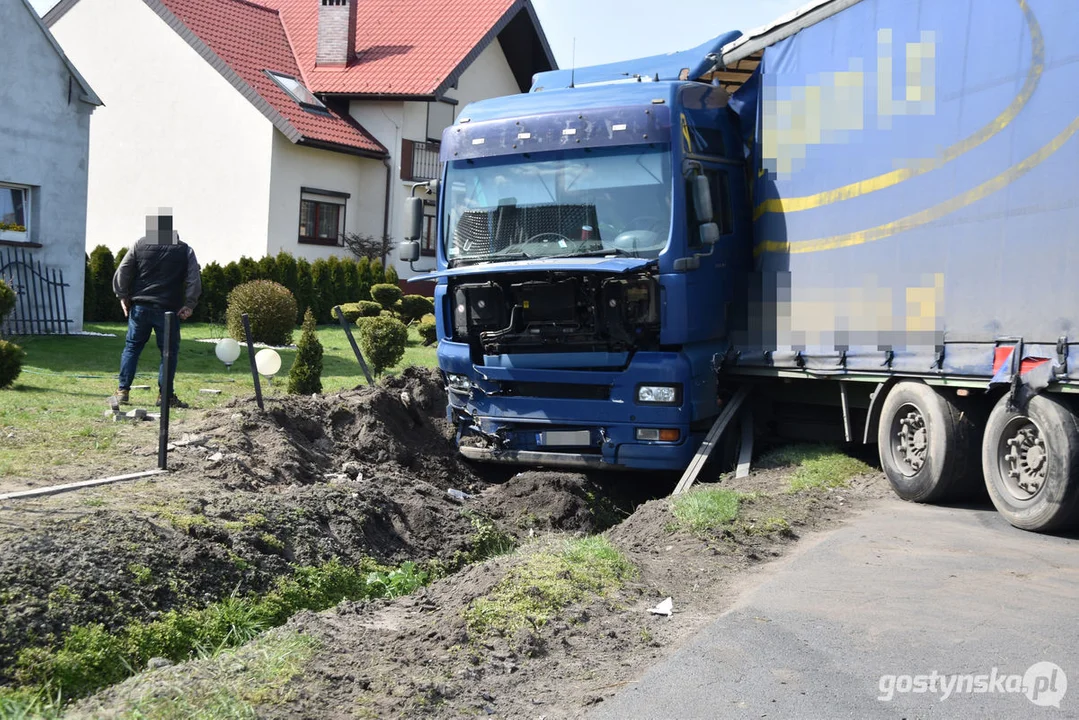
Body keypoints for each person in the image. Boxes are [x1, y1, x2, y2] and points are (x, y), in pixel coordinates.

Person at [112, 210, 202, 408]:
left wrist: (123, 295)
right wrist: (189, 304)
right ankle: (165, 397)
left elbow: (123, 270)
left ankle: (122, 391)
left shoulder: (140, 244)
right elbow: (194, 279)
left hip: (140, 308)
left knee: (132, 348)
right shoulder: (185, 250)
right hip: (168, 311)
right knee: (168, 352)